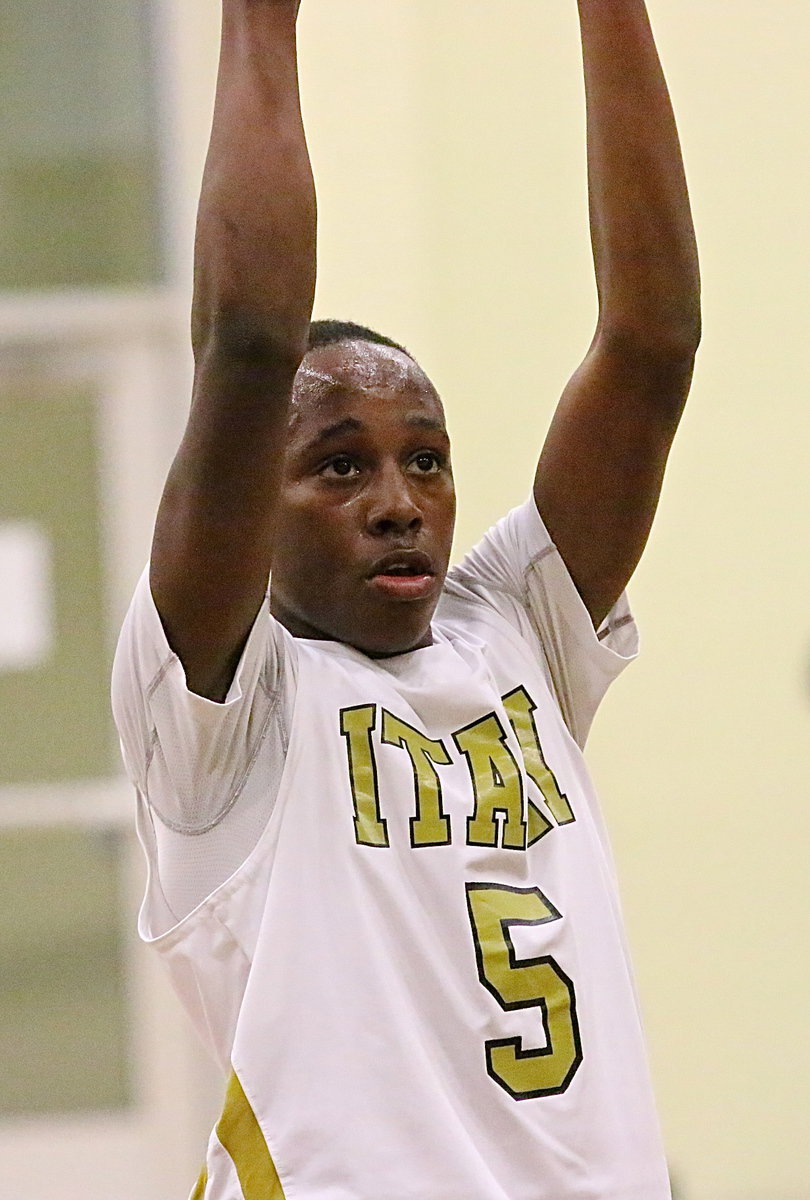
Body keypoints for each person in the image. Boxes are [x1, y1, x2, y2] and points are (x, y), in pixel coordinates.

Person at [112, 1, 700, 1197]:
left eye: (424, 459)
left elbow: (651, 344)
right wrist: (260, 25)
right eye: (340, 465)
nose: (399, 500)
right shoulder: (227, 714)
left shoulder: (514, 634)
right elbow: (249, 342)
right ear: (249, 506)